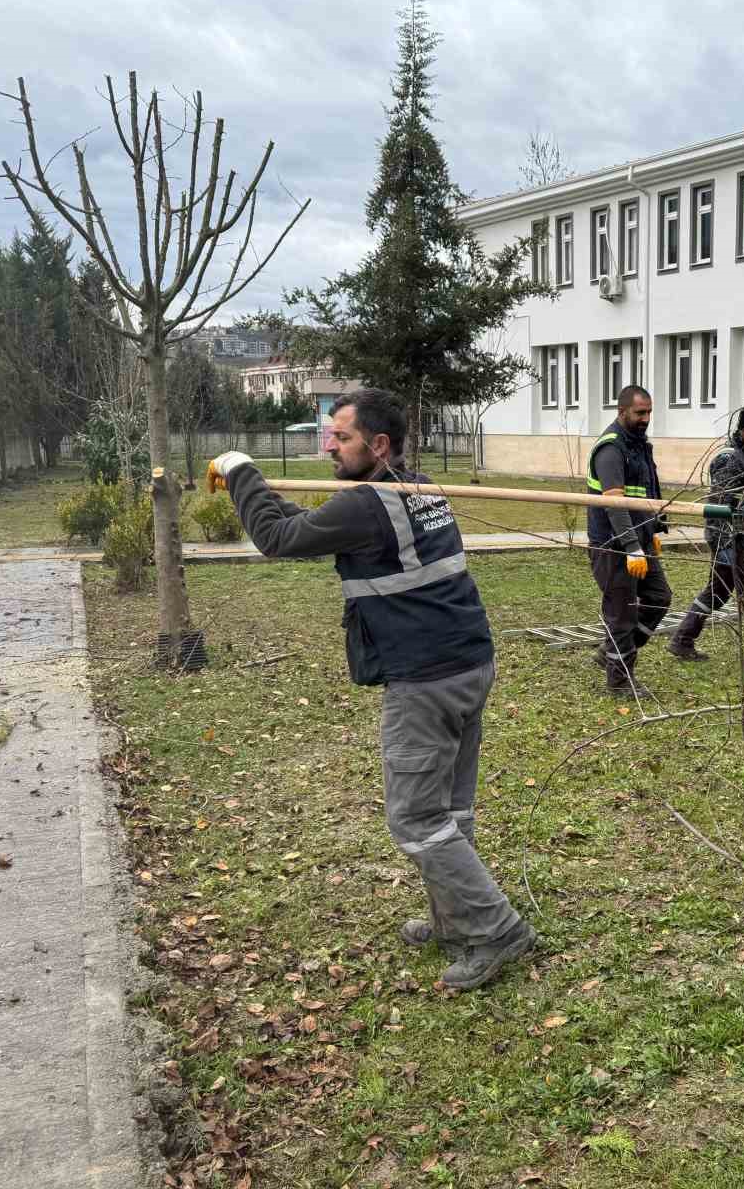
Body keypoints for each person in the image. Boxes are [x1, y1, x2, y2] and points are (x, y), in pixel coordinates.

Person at [206, 389, 534, 991]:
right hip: (468, 662)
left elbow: (278, 539)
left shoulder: (366, 506)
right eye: (328, 434)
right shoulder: (421, 486)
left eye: (342, 438)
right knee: (451, 809)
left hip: (426, 678)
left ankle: (496, 928)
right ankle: (454, 917)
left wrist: (239, 469)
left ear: (379, 446)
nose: (328, 445)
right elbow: (304, 523)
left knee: (415, 818)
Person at [668, 406, 744, 664]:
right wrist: (725, 544)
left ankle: (682, 640)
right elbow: (720, 506)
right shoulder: (728, 460)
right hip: (729, 538)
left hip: (741, 536)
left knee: (717, 592)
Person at [585, 384, 672, 695]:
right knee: (622, 612)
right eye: (640, 412)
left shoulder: (639, 444)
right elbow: (615, 503)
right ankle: (620, 682)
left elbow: (648, 491)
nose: (646, 418)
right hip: (613, 544)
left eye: (649, 412)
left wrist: (655, 529)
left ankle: (611, 654)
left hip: (641, 539)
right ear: (622, 411)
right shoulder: (611, 449)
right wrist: (632, 547)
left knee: (660, 597)